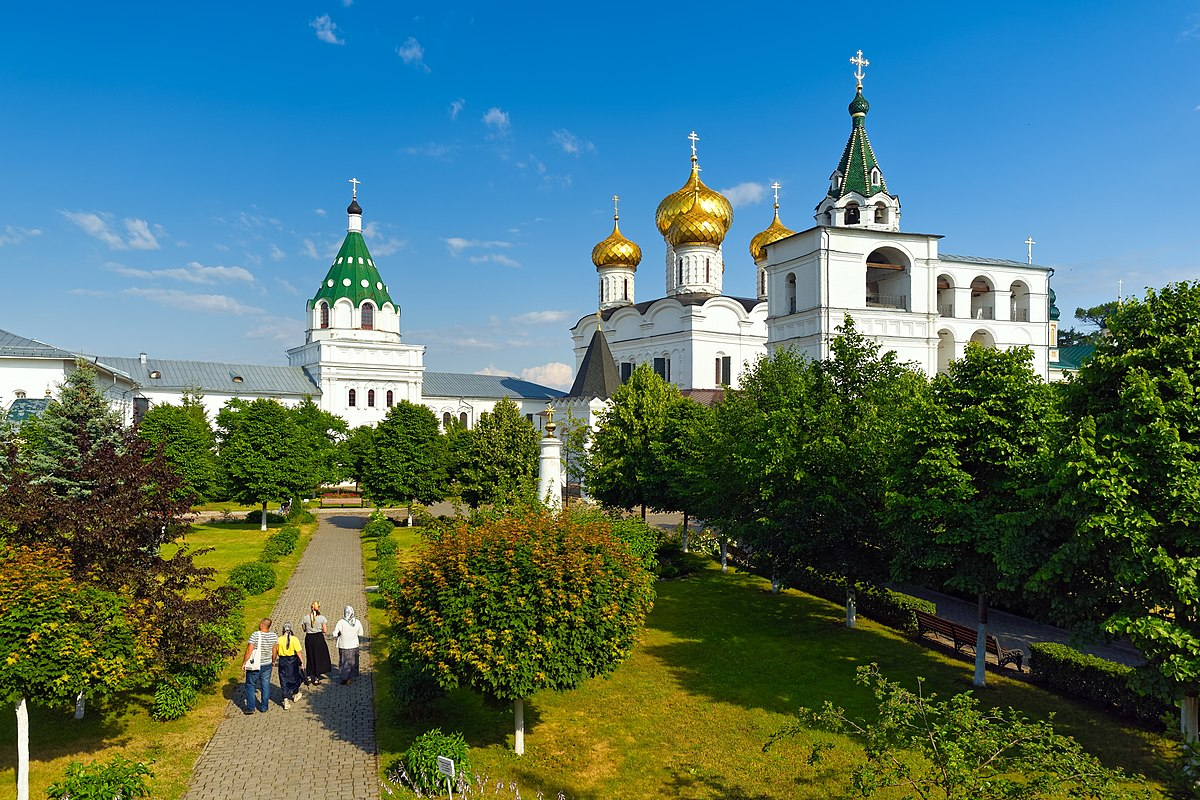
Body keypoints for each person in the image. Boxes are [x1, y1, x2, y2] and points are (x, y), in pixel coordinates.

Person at [243, 618, 278, 714]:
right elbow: (275, 650)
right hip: (267, 664)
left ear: (262, 624)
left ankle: (251, 708)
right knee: (265, 685)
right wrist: (273, 661)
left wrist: (245, 662)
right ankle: (264, 707)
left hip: (256, 664)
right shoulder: (273, 636)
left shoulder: (255, 635)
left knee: (250, 684)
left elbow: (249, 649)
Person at [331, 605, 365, 685]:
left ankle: (344, 677)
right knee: (352, 662)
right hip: (354, 645)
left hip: (343, 645)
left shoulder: (341, 622)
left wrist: (339, 634)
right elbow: (361, 633)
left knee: (344, 661)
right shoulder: (357, 622)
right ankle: (350, 677)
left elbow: (335, 634)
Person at [301, 601, 331, 684]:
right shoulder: (322, 618)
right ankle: (316, 677)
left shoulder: (305, 618)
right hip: (318, 638)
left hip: (309, 638)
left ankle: (309, 676)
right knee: (318, 657)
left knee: (309, 656)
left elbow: (304, 629)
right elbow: (325, 630)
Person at [277, 622, 304, 709]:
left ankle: (285, 699)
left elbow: (276, 651)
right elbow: (298, 652)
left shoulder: (279, 639)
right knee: (294, 677)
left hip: (282, 660)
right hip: (292, 661)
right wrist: (302, 662)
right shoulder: (294, 639)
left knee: (283, 679)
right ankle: (296, 693)